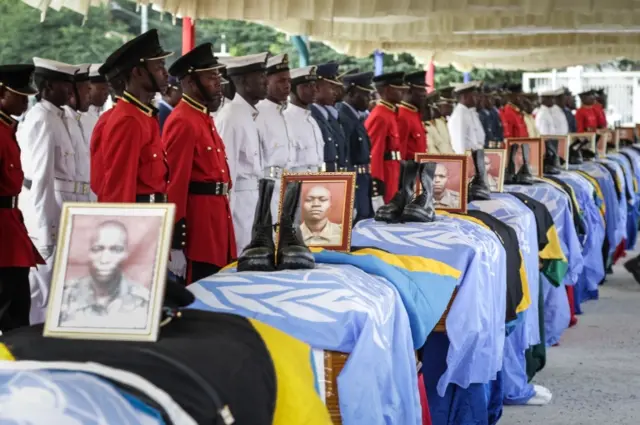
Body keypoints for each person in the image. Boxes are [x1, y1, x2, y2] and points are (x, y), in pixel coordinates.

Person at [163, 43, 236, 283]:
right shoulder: (183, 120)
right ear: (190, 83)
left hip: (217, 219)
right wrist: (175, 242)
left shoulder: (203, 116)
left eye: (217, 75)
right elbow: (174, 183)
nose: (218, 82)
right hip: (199, 229)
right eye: (210, 76)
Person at [17, 57, 76, 324]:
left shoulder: (58, 116)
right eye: (66, 84)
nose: (71, 90)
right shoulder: (42, 118)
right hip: (48, 211)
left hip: (62, 206)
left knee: (57, 285)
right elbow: (39, 178)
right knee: (42, 288)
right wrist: (43, 229)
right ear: (49, 87)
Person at [98, 29, 171, 204]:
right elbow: (119, 191)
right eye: (159, 66)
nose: (166, 73)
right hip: (138, 222)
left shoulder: (144, 115)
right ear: (138, 72)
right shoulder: (128, 120)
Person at [0, 64, 45, 332]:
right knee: (8, 312)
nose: (26, 100)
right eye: (19, 94)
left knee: (18, 310)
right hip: (3, 233)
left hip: (11, 225)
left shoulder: (8, 129)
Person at [215, 52, 268, 254]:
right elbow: (228, 174)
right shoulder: (232, 116)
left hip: (252, 204)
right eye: (261, 76)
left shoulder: (247, 114)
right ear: (245, 82)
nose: (266, 81)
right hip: (239, 209)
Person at [60, 220, 149, 328]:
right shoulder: (65, 295)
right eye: (97, 249)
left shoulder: (143, 299)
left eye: (116, 249)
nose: (105, 259)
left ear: (126, 254)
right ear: (89, 252)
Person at [256, 53, 294, 220]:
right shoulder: (257, 113)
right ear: (266, 81)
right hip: (266, 190)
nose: (287, 86)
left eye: (288, 81)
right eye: (280, 81)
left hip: (288, 187)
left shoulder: (284, 113)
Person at [338, 71, 375, 222]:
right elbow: (345, 155)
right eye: (365, 94)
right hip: (354, 181)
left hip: (362, 179)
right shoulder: (343, 117)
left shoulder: (355, 116)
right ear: (352, 93)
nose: (369, 99)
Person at [366, 72, 407, 208]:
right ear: (388, 90)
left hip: (393, 170)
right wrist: (377, 182)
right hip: (385, 174)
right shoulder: (380, 115)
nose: (403, 93)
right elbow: (374, 151)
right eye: (399, 90)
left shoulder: (390, 113)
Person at [89, 64, 125, 200]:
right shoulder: (103, 119)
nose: (106, 92)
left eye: (107, 88)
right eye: (101, 88)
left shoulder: (103, 115)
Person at [284, 66, 325, 173]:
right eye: (307, 86)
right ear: (291, 90)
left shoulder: (312, 121)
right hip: (296, 183)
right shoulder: (285, 120)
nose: (314, 90)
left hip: (317, 181)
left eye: (314, 86)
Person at [310, 62, 348, 172]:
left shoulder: (329, 116)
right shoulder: (311, 116)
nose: (335, 92)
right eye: (331, 86)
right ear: (316, 87)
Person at [63, 63, 92, 202]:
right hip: (65, 201)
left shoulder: (80, 120)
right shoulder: (63, 122)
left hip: (83, 198)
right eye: (86, 90)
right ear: (72, 93)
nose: (89, 95)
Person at [397, 70, 428, 160]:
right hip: (409, 170)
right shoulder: (402, 115)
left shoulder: (414, 113)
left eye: (425, 90)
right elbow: (400, 150)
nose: (425, 94)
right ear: (409, 91)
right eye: (421, 90)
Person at [447, 81, 485, 154]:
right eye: (474, 95)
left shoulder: (469, 112)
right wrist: (463, 162)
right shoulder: (459, 115)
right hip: (467, 158)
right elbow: (459, 144)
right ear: (464, 97)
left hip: (476, 155)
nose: (478, 98)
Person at [81, 64, 110, 143]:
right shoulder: (81, 117)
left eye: (108, 88)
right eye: (103, 88)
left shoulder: (101, 113)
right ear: (89, 87)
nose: (107, 93)